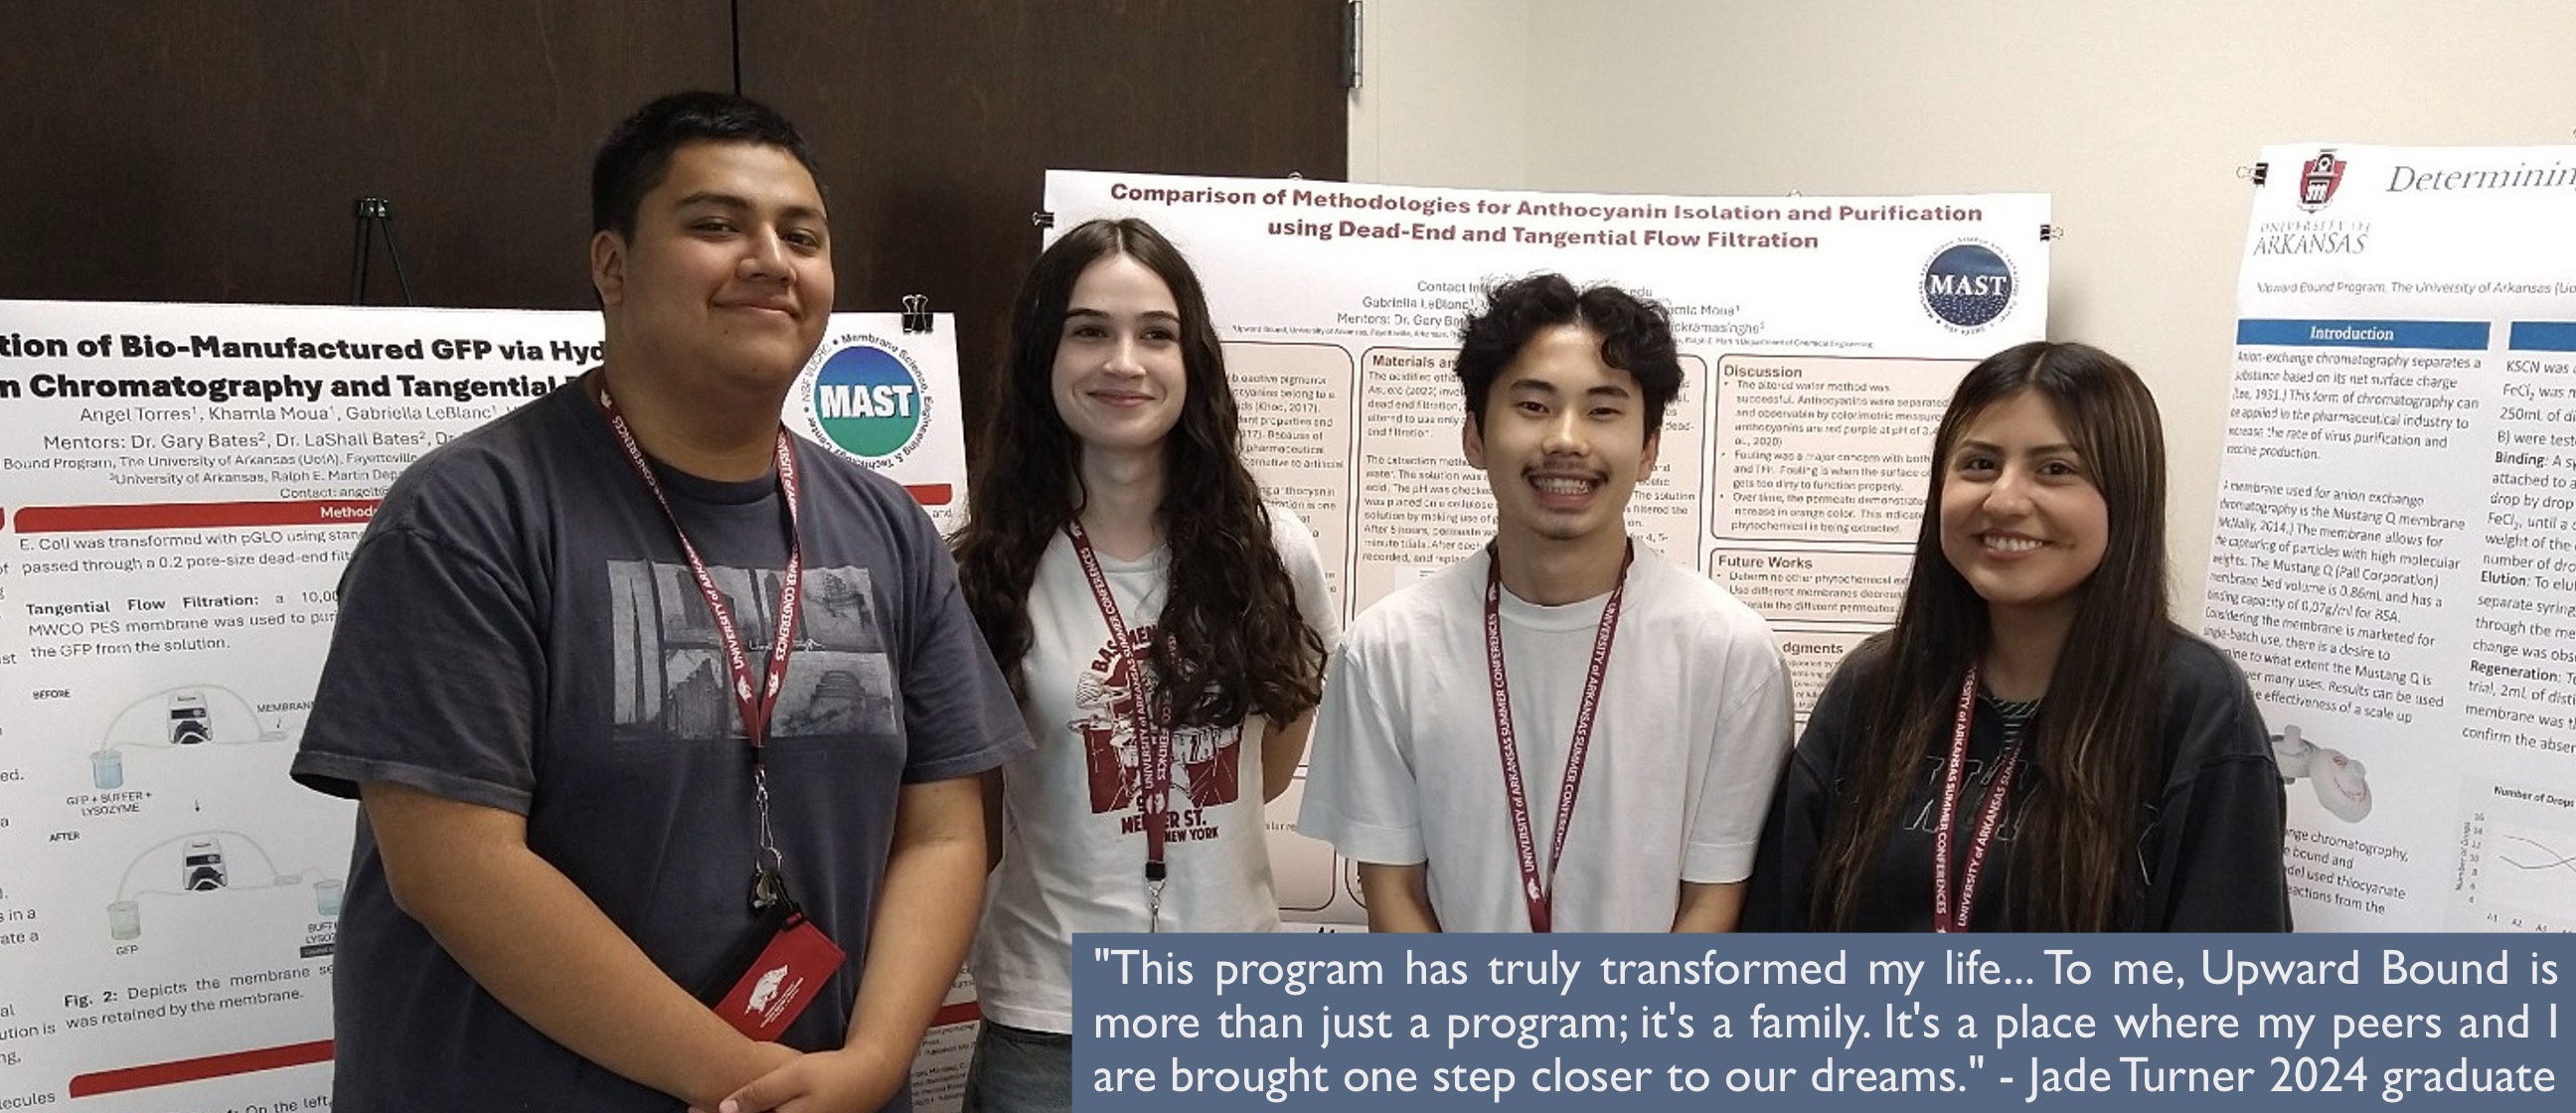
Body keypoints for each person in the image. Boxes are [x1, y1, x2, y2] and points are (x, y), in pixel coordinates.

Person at [290, 91, 1030, 1112]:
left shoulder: (887, 529)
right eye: (717, 224)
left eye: (801, 234)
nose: (770, 257)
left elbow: (948, 831)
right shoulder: (471, 514)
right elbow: (453, 868)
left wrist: (869, 1067)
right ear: (612, 266)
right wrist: (751, 1086)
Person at [950, 217, 1335, 1111]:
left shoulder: (1274, 553)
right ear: (1044, 356)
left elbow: (1266, 770)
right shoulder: (984, 570)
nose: (1124, 361)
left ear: (1190, 358)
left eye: (1155, 334)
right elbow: (970, 816)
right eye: (1090, 331)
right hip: (1053, 1017)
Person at [1297, 273, 1793, 933]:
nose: (1566, 439)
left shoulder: (1730, 653)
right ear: (1474, 435)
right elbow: (1395, 899)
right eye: (1533, 406)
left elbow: (1712, 906)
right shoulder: (1388, 648)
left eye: (1603, 408)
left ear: (1649, 449)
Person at [1742, 341, 2290, 932]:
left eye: (2056, 469)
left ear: (2125, 496)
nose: (2004, 499)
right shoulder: (1876, 685)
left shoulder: (2194, 705)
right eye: (1978, 464)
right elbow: (1777, 928)